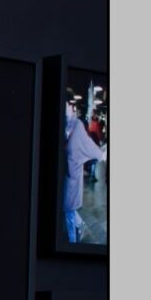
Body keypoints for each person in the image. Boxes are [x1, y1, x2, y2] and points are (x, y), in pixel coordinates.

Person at [62, 98, 99, 243]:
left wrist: (100, 154)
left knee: (68, 210)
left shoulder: (77, 124)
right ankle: (80, 225)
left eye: (66, 104)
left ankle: (72, 242)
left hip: (72, 174)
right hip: (66, 173)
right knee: (68, 210)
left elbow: (88, 143)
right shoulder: (66, 123)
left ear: (71, 106)